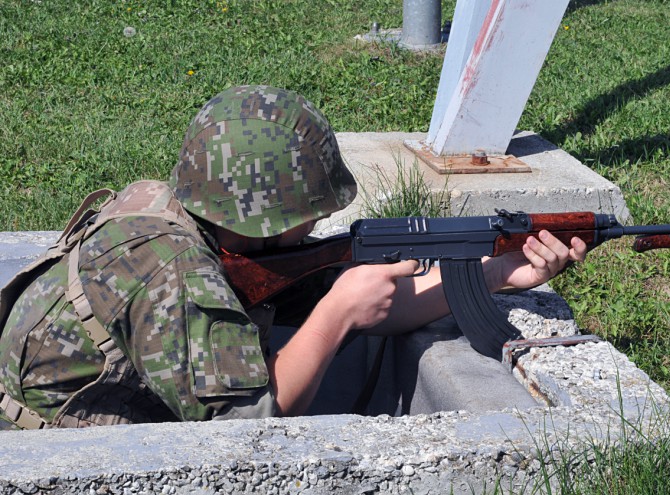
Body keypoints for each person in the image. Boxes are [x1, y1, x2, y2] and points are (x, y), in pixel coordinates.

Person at [0, 85, 586, 430]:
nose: (318, 223)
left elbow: (375, 306)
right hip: (49, 447)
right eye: (309, 211)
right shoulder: (171, 272)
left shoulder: (201, 228)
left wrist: (498, 273)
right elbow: (245, 433)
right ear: (263, 218)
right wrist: (336, 316)